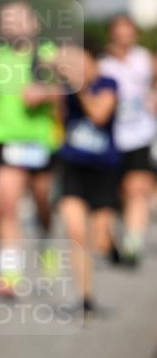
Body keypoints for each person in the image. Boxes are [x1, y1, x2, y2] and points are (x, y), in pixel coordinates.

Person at [0, 1, 63, 296]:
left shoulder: (48, 56)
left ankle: (46, 240)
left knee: (43, 202)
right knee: (6, 205)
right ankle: (10, 273)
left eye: (20, 19)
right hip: (7, 140)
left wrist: (44, 92)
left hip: (41, 141)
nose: (14, 24)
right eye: (8, 20)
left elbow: (67, 92)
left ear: (34, 25)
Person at [57, 41, 121, 313]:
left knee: (98, 239)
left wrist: (80, 87)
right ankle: (85, 299)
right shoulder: (65, 89)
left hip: (104, 169)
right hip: (73, 166)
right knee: (76, 234)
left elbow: (99, 115)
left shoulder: (108, 84)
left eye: (83, 63)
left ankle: (110, 242)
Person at [98, 14, 156, 266]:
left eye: (127, 31)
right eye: (118, 31)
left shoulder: (144, 58)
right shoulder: (103, 63)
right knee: (117, 192)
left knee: (138, 187)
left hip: (140, 133)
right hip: (111, 137)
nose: (123, 36)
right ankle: (115, 237)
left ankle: (133, 241)